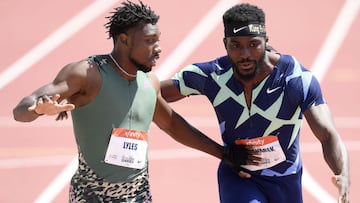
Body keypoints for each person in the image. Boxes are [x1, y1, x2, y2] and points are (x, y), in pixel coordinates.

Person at [12, 1, 226, 202]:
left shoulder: (149, 82)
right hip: (91, 195)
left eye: (158, 40)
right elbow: (21, 110)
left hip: (138, 194)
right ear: (124, 39)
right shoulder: (88, 73)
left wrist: (223, 154)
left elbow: (170, 123)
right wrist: (37, 109)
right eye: (150, 41)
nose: (159, 48)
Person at [160, 3, 350, 203]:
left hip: (286, 181)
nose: (245, 54)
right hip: (239, 177)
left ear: (265, 41)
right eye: (236, 45)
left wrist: (342, 173)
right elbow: (150, 95)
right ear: (225, 44)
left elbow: (328, 134)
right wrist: (220, 152)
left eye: (253, 44)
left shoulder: (296, 80)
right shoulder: (212, 76)